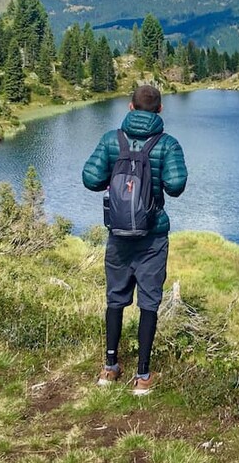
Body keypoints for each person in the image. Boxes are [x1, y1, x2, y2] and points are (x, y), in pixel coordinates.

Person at [82, 84, 187, 395]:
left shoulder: (111, 140)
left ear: (130, 107)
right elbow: (176, 185)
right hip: (152, 234)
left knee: (115, 299)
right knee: (149, 303)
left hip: (118, 233)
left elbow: (90, 178)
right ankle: (143, 376)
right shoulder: (167, 144)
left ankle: (110, 367)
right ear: (160, 110)